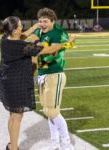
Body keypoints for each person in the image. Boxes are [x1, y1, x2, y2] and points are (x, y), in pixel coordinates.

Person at [0, 16, 69, 150]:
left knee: (12, 115)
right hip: (16, 83)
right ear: (14, 31)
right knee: (17, 116)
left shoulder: (5, 39)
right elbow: (46, 50)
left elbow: (22, 35)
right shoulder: (21, 46)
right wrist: (65, 43)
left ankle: (11, 145)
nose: (22, 27)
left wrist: (35, 27)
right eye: (19, 26)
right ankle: (14, 148)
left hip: (6, 81)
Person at [34, 8, 74, 150]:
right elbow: (37, 52)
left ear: (52, 22)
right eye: (40, 21)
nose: (42, 23)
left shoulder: (57, 32)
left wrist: (35, 49)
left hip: (54, 73)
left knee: (52, 111)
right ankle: (55, 143)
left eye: (45, 21)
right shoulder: (39, 32)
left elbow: (52, 51)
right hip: (42, 74)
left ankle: (67, 144)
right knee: (47, 110)